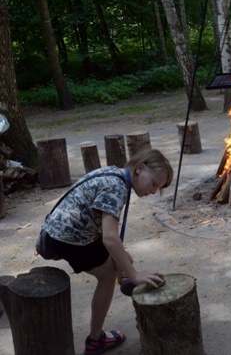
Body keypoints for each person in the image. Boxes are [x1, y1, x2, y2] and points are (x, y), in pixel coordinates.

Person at [39, 149, 173, 355]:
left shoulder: (114, 174)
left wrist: (125, 262)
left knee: (124, 257)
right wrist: (136, 274)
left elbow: (107, 233)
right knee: (108, 275)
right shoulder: (117, 187)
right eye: (154, 184)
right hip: (67, 238)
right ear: (140, 169)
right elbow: (109, 237)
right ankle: (95, 340)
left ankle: (125, 276)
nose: (154, 191)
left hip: (60, 230)